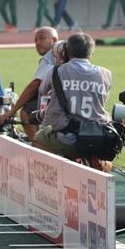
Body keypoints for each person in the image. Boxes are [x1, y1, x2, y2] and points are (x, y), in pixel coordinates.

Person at [33, 33, 112, 164]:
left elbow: (42, 91)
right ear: (91, 53)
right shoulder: (106, 74)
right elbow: (102, 100)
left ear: (66, 51)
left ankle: (63, 165)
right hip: (98, 135)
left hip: (67, 137)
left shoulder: (55, 71)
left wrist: (59, 63)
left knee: (38, 139)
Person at [0, 27, 58, 140]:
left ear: (54, 40)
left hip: (60, 100)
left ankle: (38, 147)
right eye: (35, 40)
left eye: (42, 38)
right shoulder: (65, 50)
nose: (37, 43)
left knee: (27, 112)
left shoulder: (49, 56)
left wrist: (12, 111)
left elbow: (34, 86)